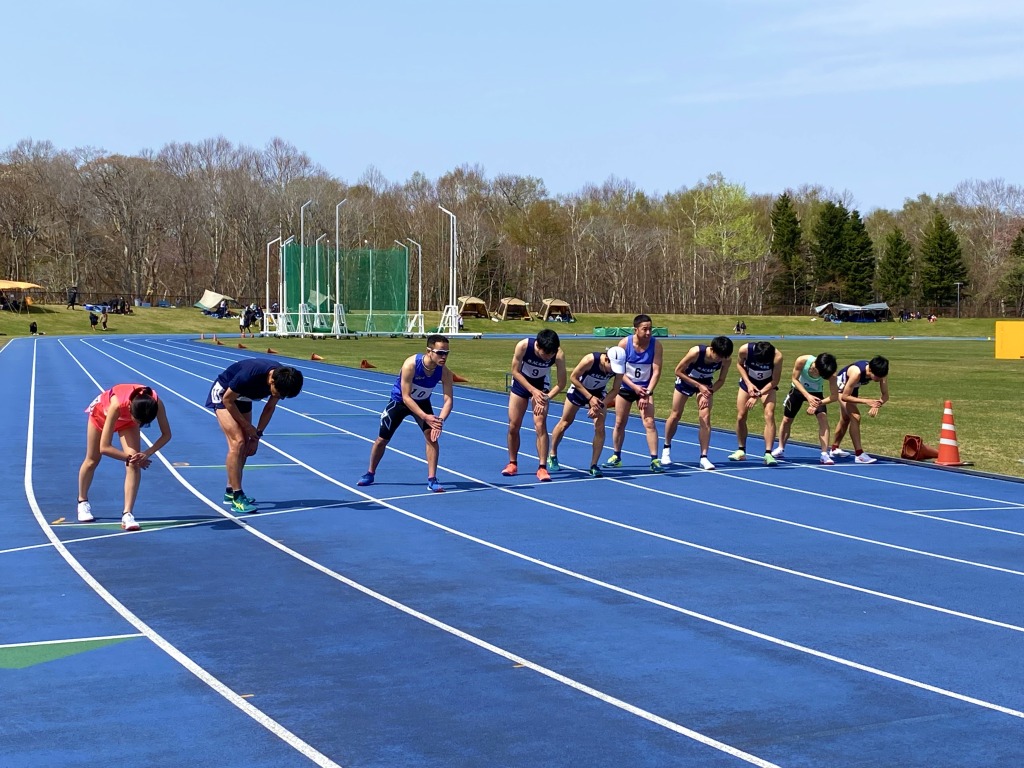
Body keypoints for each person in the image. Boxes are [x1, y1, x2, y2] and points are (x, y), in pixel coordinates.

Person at [357, 334, 454, 492]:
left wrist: (439, 421)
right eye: (440, 353)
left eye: (447, 353)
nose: (444, 357)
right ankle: (370, 473)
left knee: (432, 438)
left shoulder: (445, 373)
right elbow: (406, 397)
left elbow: (448, 400)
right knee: (382, 439)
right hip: (400, 402)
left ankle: (432, 479)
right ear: (429, 351)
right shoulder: (411, 364)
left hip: (422, 402)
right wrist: (425, 416)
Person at [206, 359, 304, 512]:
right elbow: (227, 400)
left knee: (245, 444)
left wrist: (256, 436)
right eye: (278, 393)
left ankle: (230, 490)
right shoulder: (248, 376)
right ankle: (238, 497)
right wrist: (247, 427)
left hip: (244, 397)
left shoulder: (283, 380)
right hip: (224, 395)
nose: (280, 397)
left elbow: (269, 407)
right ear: (272, 381)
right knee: (237, 442)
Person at [77, 384, 172, 531]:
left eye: (142, 424)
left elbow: (166, 434)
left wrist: (146, 453)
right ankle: (82, 501)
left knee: (133, 465)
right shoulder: (117, 404)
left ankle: (127, 514)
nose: (139, 425)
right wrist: (130, 458)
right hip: (101, 416)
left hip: (126, 422)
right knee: (92, 460)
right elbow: (105, 447)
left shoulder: (156, 403)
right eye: (138, 421)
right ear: (130, 409)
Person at [547, 347, 627, 477]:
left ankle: (594, 464)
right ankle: (553, 453)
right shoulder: (590, 360)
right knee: (565, 423)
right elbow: (573, 377)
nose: (613, 371)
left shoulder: (619, 368)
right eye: (612, 367)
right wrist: (589, 398)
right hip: (579, 390)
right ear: (606, 359)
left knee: (600, 427)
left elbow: (615, 389)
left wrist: (599, 405)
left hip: (599, 394)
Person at [501, 328, 567, 481]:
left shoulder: (558, 354)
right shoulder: (523, 346)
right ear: (537, 346)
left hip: (542, 385)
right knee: (513, 425)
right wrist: (532, 390)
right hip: (521, 383)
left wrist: (546, 396)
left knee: (540, 425)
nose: (548, 358)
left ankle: (542, 467)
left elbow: (562, 383)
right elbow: (515, 371)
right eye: (545, 354)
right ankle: (512, 463)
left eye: (551, 354)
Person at [662, 335, 734, 470]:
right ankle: (666, 448)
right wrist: (698, 385)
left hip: (706, 385)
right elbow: (678, 371)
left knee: (705, 418)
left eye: (723, 357)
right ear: (712, 349)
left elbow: (721, 380)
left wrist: (709, 392)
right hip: (686, 381)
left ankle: (704, 457)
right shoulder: (696, 352)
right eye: (718, 356)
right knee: (676, 415)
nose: (719, 359)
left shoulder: (725, 360)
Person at [605, 314, 665, 472]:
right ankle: (616, 456)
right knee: (619, 422)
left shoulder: (656, 345)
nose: (648, 333)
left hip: (645, 389)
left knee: (649, 422)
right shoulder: (625, 343)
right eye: (644, 329)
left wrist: (646, 392)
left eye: (650, 329)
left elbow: (657, 370)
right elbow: (619, 371)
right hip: (626, 387)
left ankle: (654, 459)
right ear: (635, 329)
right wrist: (633, 387)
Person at [771, 352, 840, 464]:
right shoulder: (802, 360)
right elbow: (794, 379)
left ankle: (824, 454)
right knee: (787, 419)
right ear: (816, 365)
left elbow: (834, 396)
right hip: (797, 391)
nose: (820, 376)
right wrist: (808, 396)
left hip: (817, 394)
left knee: (823, 418)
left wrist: (817, 403)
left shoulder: (831, 374)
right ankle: (780, 448)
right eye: (820, 373)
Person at [728, 340, 784, 466]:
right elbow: (739, 365)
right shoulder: (744, 350)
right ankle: (741, 450)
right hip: (748, 382)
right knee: (741, 415)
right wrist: (749, 384)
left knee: (769, 414)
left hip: (767, 385)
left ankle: (768, 453)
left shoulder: (777, 356)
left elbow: (775, 381)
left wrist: (758, 395)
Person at [830, 356, 890, 464]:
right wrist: (866, 401)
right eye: (876, 376)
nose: (878, 379)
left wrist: (878, 404)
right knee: (855, 416)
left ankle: (834, 449)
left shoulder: (881, 373)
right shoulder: (856, 372)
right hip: (841, 389)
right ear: (870, 370)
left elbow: (885, 395)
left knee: (845, 419)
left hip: (853, 387)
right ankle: (859, 454)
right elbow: (844, 396)